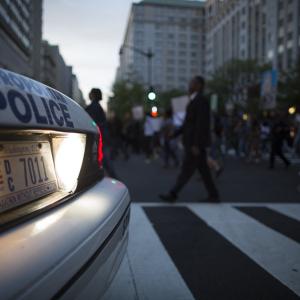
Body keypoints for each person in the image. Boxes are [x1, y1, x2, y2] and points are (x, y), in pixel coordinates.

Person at [159, 76, 219, 202]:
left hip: (194, 144)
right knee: (203, 171)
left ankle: (173, 194)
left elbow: (200, 124)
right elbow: (188, 124)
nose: (189, 85)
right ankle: (213, 195)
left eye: (192, 83)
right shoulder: (194, 101)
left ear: (199, 86)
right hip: (192, 143)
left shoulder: (201, 101)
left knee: (187, 170)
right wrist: (174, 134)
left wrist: (196, 144)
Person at [86, 88, 118, 178]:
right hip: (100, 136)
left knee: (104, 160)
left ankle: (115, 179)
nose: (89, 94)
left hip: (97, 137)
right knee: (102, 160)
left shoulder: (94, 107)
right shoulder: (97, 107)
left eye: (90, 93)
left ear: (93, 95)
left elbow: (91, 122)